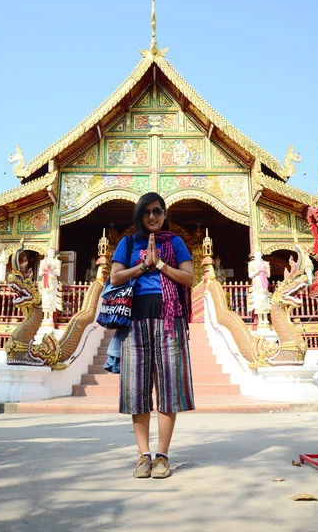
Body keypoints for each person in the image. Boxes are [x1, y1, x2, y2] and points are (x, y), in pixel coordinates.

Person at [110, 192, 195, 479]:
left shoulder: (175, 242)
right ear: (139, 216)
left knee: (169, 388)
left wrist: (160, 265)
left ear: (164, 213)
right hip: (135, 319)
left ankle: (162, 456)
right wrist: (142, 266)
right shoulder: (128, 243)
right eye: (146, 212)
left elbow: (189, 277)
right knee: (138, 390)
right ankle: (143, 455)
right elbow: (114, 278)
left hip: (170, 319)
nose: (152, 217)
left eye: (157, 211)